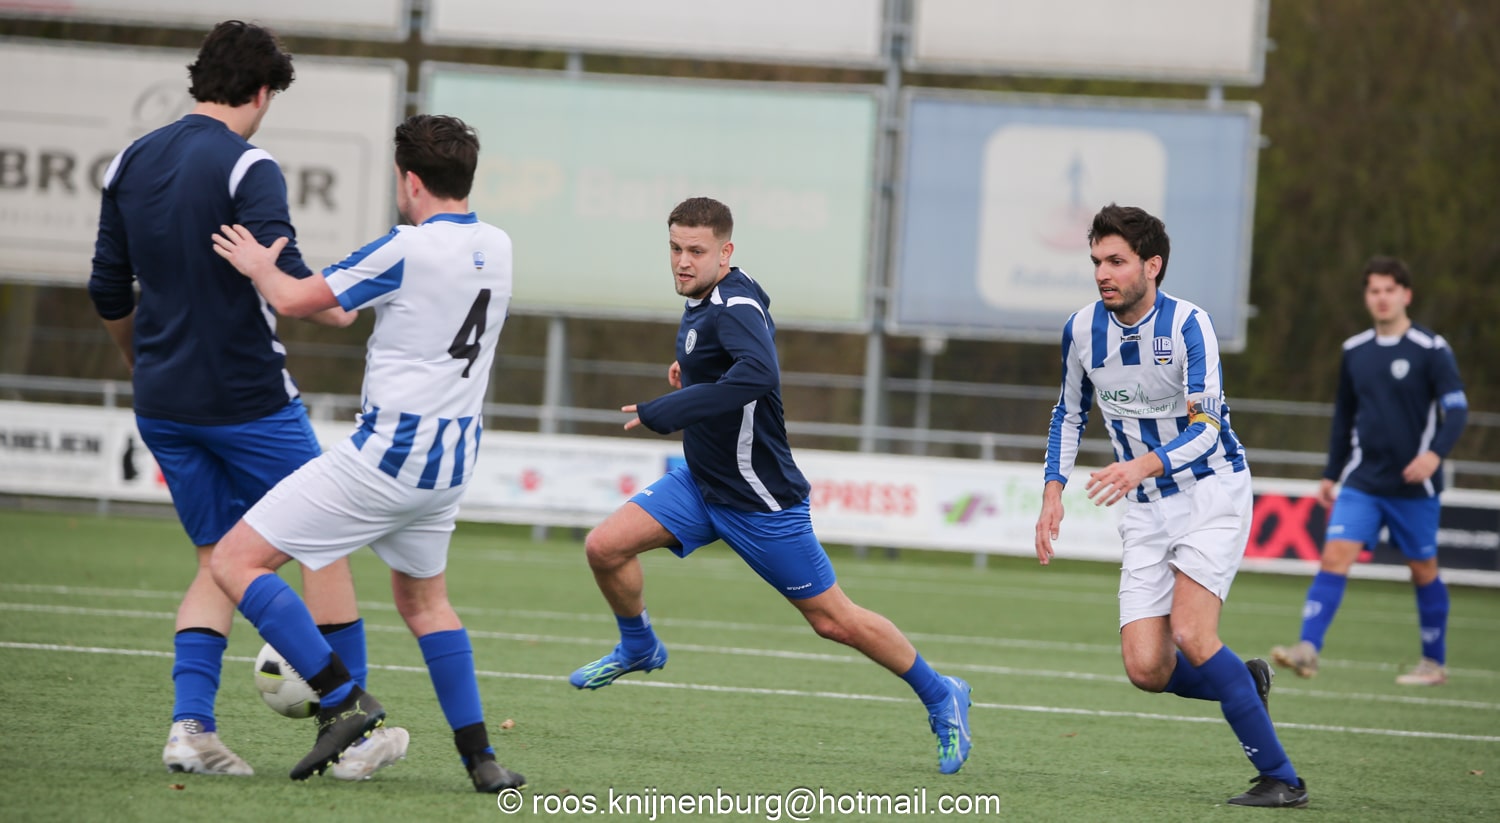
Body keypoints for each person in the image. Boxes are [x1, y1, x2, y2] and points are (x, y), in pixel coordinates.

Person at [87, 19, 404, 781]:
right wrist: (342, 306)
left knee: (219, 560)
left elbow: (107, 287)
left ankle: (190, 728)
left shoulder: (130, 158)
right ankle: (350, 730)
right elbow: (287, 278)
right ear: (261, 93)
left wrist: (139, 360)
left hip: (162, 400)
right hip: (247, 399)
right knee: (323, 542)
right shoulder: (248, 164)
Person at [567, 196, 973, 775]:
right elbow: (736, 350)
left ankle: (941, 693)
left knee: (833, 619)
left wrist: (671, 408)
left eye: (696, 251)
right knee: (604, 547)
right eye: (675, 249)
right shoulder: (713, 296)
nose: (682, 261)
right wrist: (694, 371)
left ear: (725, 252)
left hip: (759, 500)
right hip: (702, 484)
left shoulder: (731, 304)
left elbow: (759, 372)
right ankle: (639, 646)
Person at [206, 113, 526, 793]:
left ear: (410, 181)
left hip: (389, 455)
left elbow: (296, 299)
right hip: (450, 463)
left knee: (235, 561)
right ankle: (481, 758)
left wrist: (260, 263)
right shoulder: (498, 245)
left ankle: (342, 698)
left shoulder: (405, 247)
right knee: (426, 604)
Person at [1034, 204, 1307, 807]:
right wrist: (1053, 490)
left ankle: (1283, 780)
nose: (1102, 274)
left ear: (1151, 265)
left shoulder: (1189, 325)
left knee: (1191, 632)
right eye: (1097, 262)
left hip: (1211, 492)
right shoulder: (1081, 330)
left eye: (1116, 261)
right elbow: (1069, 413)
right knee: (1146, 669)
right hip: (1147, 506)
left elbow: (1208, 427)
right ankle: (1244, 682)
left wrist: (1141, 465)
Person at [1272, 256, 1468, 686]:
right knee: (1334, 556)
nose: (1381, 298)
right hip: (1363, 481)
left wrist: (1435, 455)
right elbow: (1344, 417)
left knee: (1423, 569)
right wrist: (1331, 472)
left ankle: (1433, 663)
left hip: (1414, 487)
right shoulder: (1354, 351)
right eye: (1374, 290)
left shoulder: (1431, 349)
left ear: (1406, 295)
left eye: (1389, 290)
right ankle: (1308, 649)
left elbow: (1457, 409)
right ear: (1366, 297)